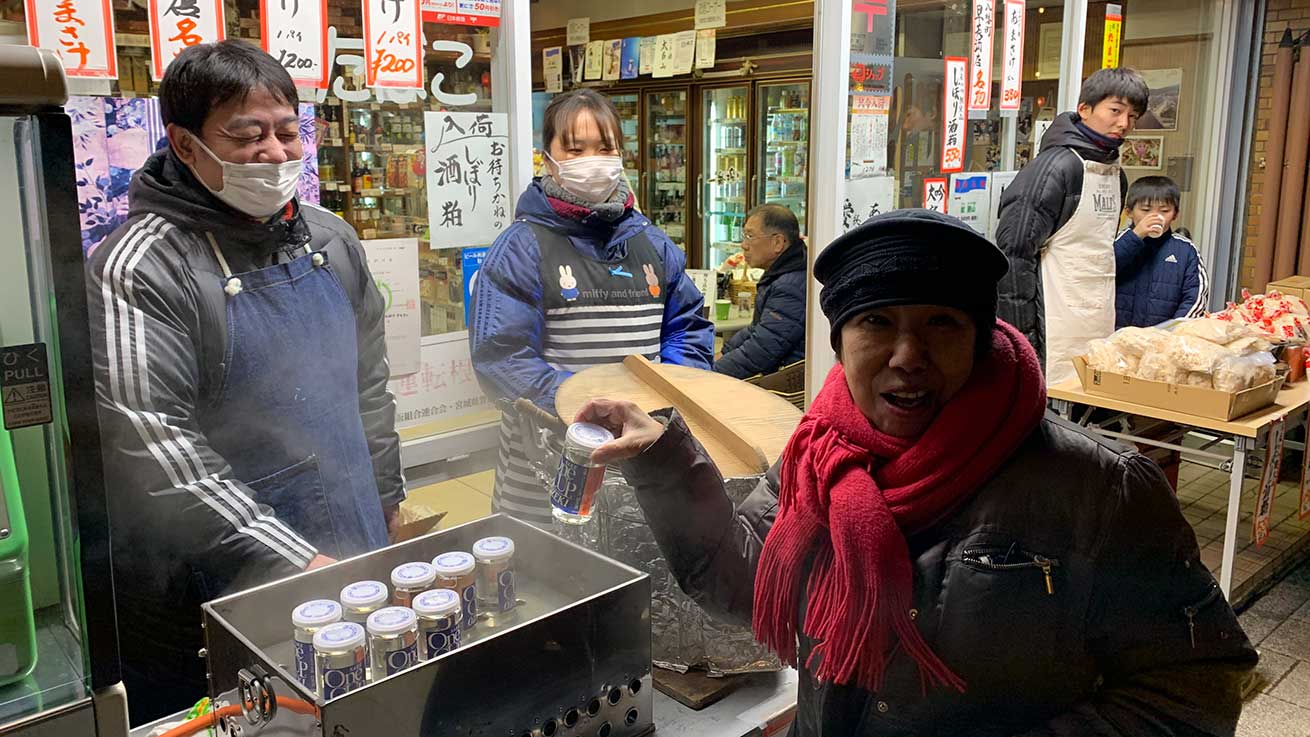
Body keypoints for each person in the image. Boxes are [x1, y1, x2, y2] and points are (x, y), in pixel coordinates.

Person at [576, 210, 1255, 737]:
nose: (907, 353)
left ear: (982, 336)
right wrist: (662, 457)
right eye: (876, 321)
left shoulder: (1100, 489)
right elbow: (745, 583)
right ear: (841, 340)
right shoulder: (818, 455)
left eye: (942, 323)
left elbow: (1196, 682)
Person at [86, 41, 402, 724]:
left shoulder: (331, 241)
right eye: (246, 134)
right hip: (220, 587)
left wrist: (391, 503)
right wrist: (297, 559)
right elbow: (157, 449)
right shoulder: (139, 267)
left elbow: (368, 388)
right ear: (185, 143)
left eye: (287, 131)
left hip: (349, 549)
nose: (274, 153)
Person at [469, 88, 713, 526]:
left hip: (646, 453)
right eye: (575, 149)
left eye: (605, 148)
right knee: (552, 574)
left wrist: (665, 397)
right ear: (548, 158)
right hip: (548, 466)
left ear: (622, 154)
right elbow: (501, 357)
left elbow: (688, 328)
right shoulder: (521, 248)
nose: (593, 160)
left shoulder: (652, 243)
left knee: (641, 567)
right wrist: (585, 410)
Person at [995, 67, 1150, 384]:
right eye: (1115, 111)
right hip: (1051, 322)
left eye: (1133, 116)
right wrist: (1023, 340)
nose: (1124, 124)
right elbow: (1013, 255)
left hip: (1095, 317)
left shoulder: (1115, 173)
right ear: (1085, 109)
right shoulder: (1057, 167)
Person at [715, 203, 807, 379]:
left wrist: (710, 373)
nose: (744, 245)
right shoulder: (784, 273)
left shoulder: (789, 286)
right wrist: (723, 353)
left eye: (750, 236)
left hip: (787, 387)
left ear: (778, 242)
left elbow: (761, 349)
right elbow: (757, 330)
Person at [1114, 175, 1209, 328]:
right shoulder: (1116, 241)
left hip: (1164, 341)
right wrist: (1135, 237)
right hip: (1115, 336)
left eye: (1164, 211)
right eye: (1145, 210)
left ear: (1175, 215)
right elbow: (1103, 272)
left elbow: (1195, 298)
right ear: (1129, 212)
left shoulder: (1185, 250)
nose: (1154, 217)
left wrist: (1172, 332)